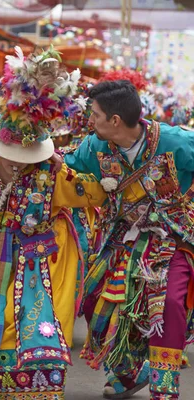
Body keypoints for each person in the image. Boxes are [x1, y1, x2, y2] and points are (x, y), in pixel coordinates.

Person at [0, 47, 107, 400]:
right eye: (8, 158)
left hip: (42, 262)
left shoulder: (53, 175)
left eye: (23, 158)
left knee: (32, 321)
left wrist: (67, 169)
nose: (15, 163)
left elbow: (94, 194)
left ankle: (33, 385)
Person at [63, 79, 194, 399]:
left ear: (115, 121)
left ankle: (164, 387)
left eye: (94, 114)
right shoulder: (94, 147)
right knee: (95, 298)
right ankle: (128, 372)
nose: (90, 120)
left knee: (169, 303)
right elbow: (66, 168)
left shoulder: (176, 142)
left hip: (169, 237)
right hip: (120, 237)